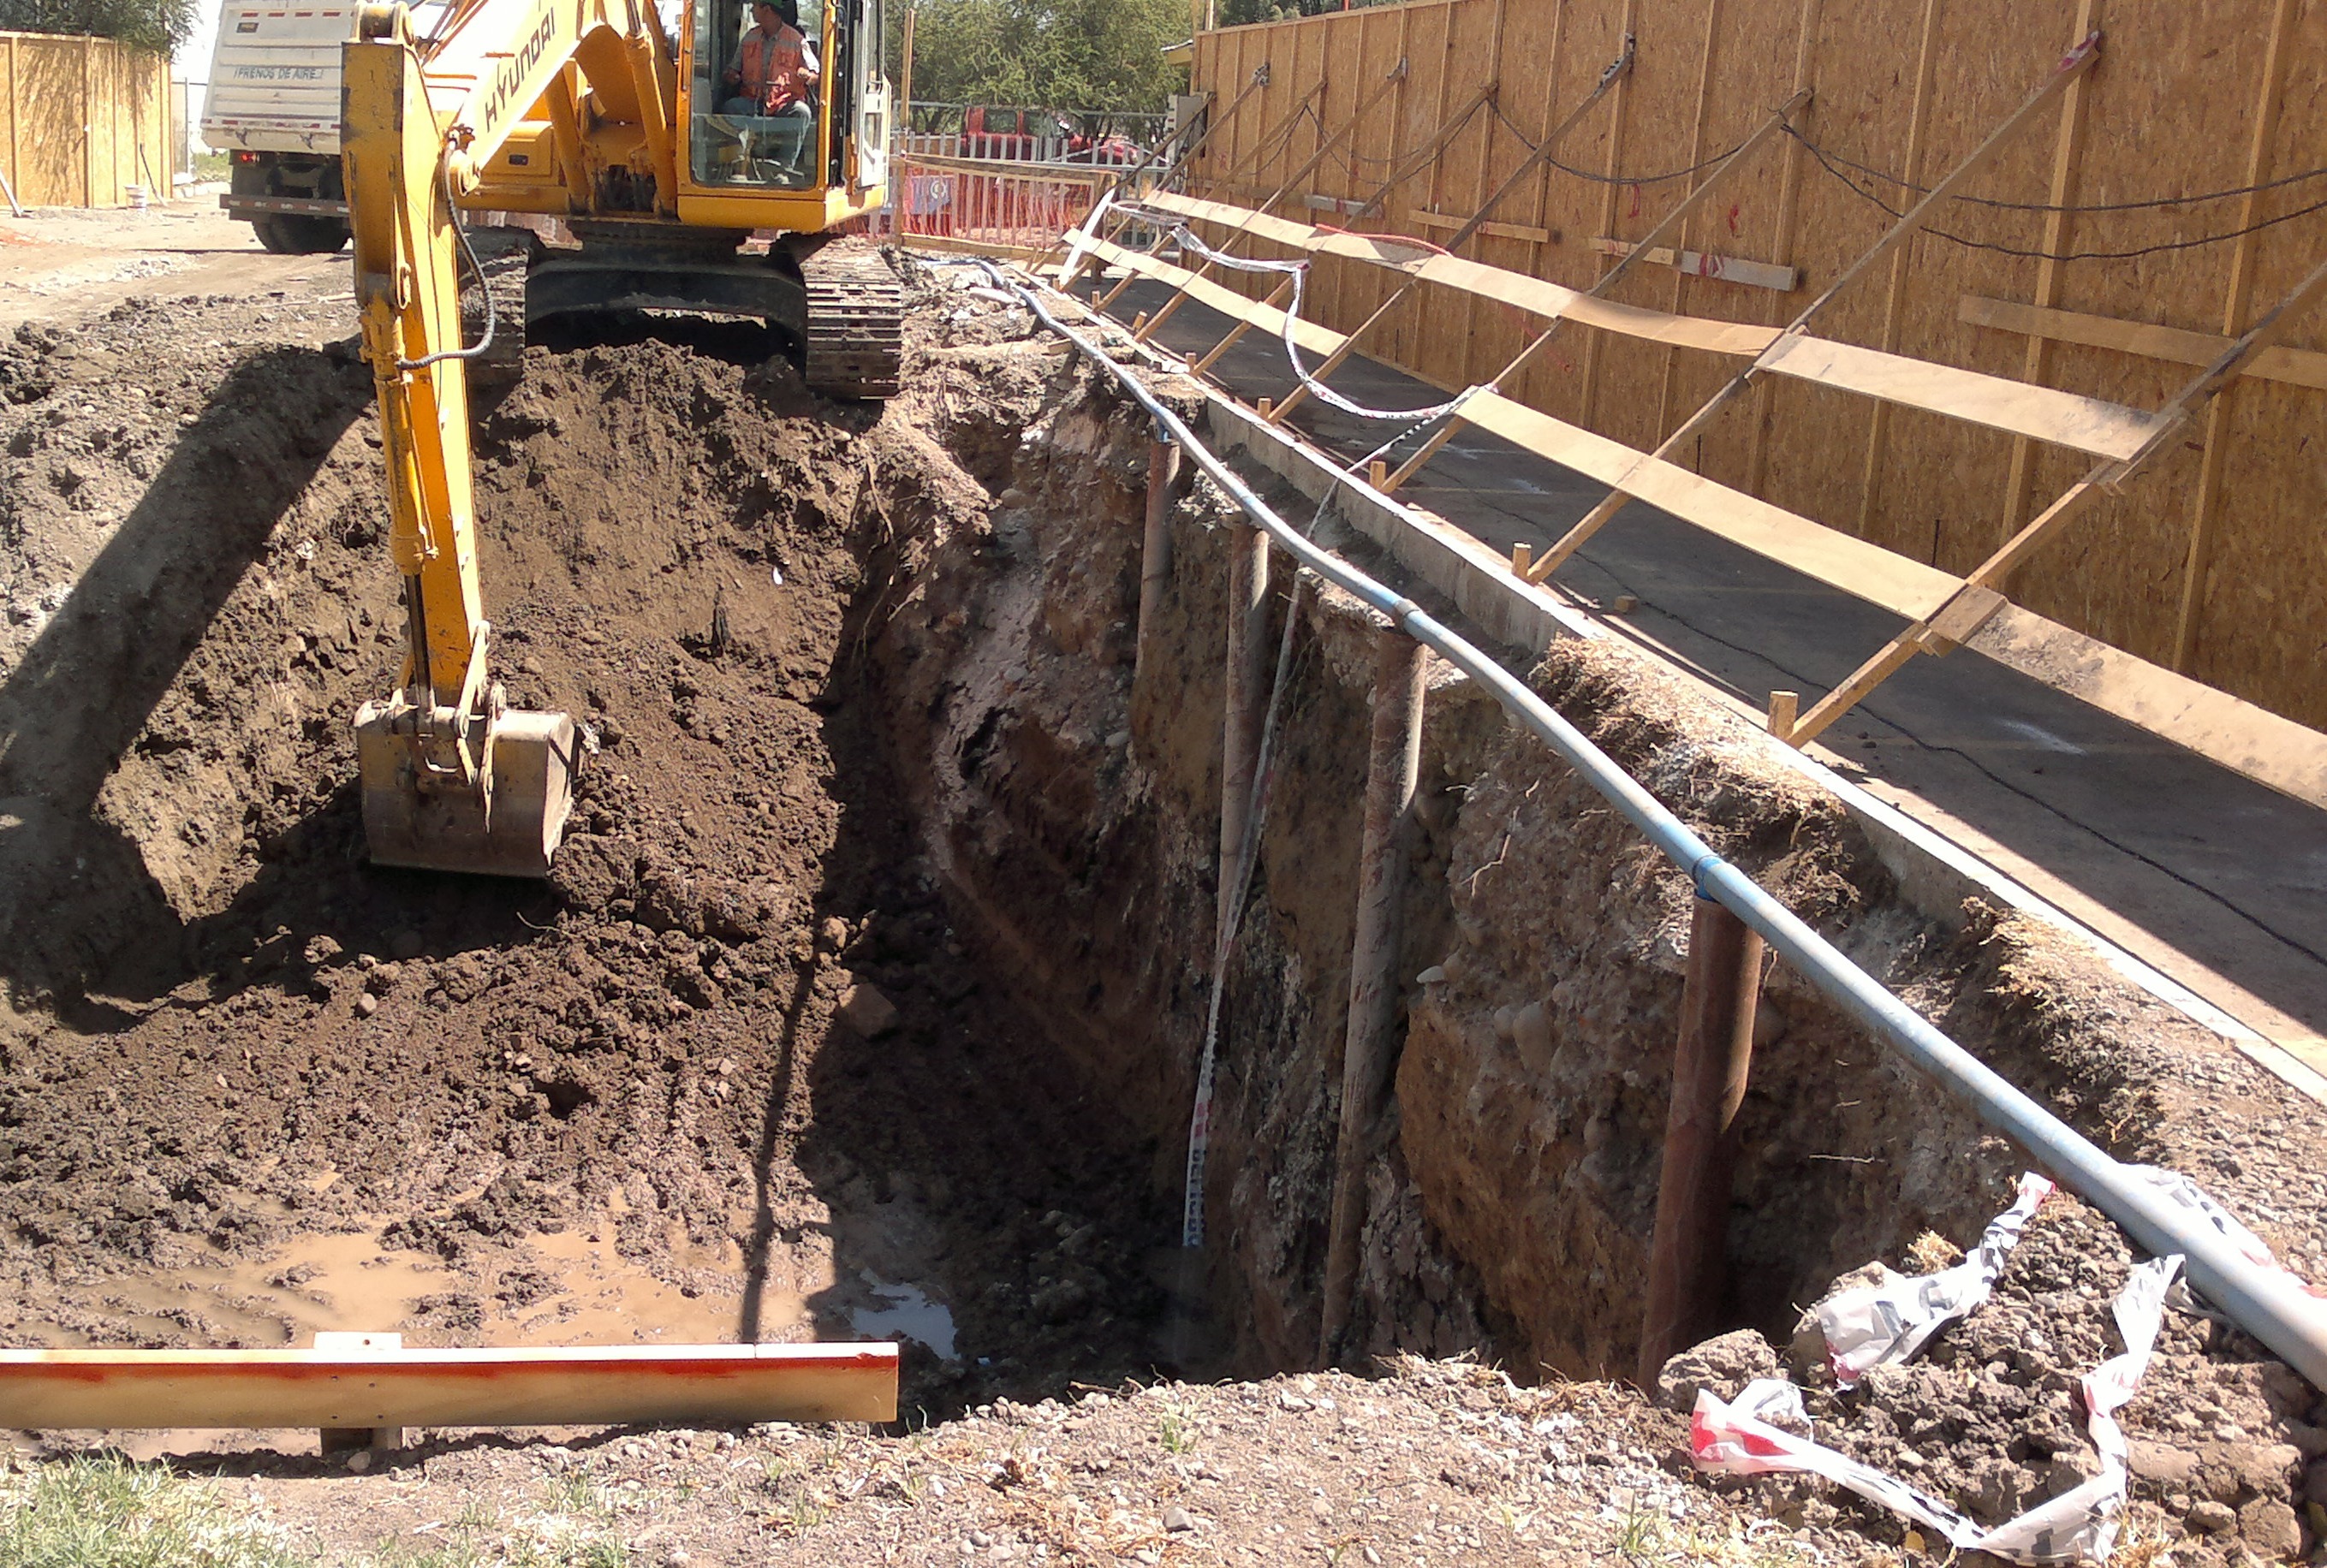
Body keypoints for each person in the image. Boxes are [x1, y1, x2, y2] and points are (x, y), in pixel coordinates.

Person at [722, 0, 818, 120]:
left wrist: (808, 75)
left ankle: (790, 139)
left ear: (767, 9)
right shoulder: (750, 37)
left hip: (784, 104)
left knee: (802, 112)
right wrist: (732, 76)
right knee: (731, 107)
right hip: (753, 102)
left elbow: (815, 75)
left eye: (755, 6)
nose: (752, 10)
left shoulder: (796, 40)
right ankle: (745, 138)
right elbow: (733, 70)